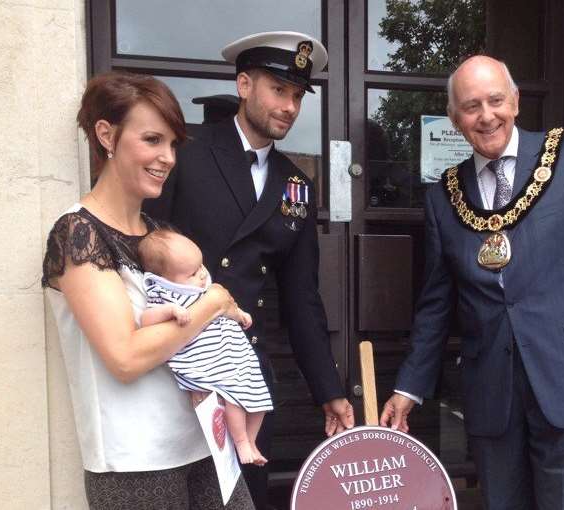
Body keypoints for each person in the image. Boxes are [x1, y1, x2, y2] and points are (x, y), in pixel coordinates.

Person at [380, 55, 564, 509]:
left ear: (514, 101)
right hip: (491, 385)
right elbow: (436, 304)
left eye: (495, 100)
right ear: (456, 120)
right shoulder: (444, 196)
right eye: (472, 106)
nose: (486, 115)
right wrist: (409, 387)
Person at [143, 31, 355, 508]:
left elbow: (302, 298)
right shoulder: (187, 151)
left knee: (243, 496)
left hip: (244, 373)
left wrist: (329, 391)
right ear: (243, 85)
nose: (290, 106)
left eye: (297, 95)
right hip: (178, 364)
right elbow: (145, 252)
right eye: (278, 90)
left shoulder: (296, 184)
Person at [41, 72, 255, 508]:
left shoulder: (160, 234)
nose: (168, 157)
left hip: (205, 443)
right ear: (106, 134)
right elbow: (125, 357)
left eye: (173, 143)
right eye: (153, 140)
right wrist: (213, 302)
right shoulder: (78, 231)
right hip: (135, 464)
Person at [138, 228, 273, 465]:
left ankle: (251, 441)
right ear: (165, 279)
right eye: (192, 273)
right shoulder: (166, 294)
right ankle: (241, 443)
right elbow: (145, 319)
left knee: (259, 400)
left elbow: (226, 308)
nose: (202, 275)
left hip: (236, 355)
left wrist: (240, 314)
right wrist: (171, 311)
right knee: (234, 399)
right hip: (211, 361)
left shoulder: (205, 287)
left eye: (201, 266)